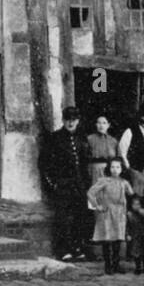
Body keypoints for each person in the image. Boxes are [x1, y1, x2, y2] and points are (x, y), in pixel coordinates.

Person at [41, 106, 90, 261]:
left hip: (78, 185)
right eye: (68, 120)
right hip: (62, 185)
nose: (71, 123)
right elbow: (44, 163)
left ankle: (77, 247)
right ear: (63, 120)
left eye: (74, 120)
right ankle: (63, 250)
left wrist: (85, 184)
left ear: (78, 121)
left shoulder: (82, 139)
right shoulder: (55, 138)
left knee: (79, 217)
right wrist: (52, 184)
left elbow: (84, 163)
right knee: (62, 218)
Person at [87, 156, 129, 274]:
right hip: (107, 214)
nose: (115, 169)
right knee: (107, 239)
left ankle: (116, 264)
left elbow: (129, 195)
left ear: (122, 168)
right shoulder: (104, 181)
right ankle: (108, 266)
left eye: (118, 167)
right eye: (112, 167)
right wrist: (97, 205)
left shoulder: (123, 182)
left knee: (118, 239)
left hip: (119, 214)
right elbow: (90, 193)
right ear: (109, 168)